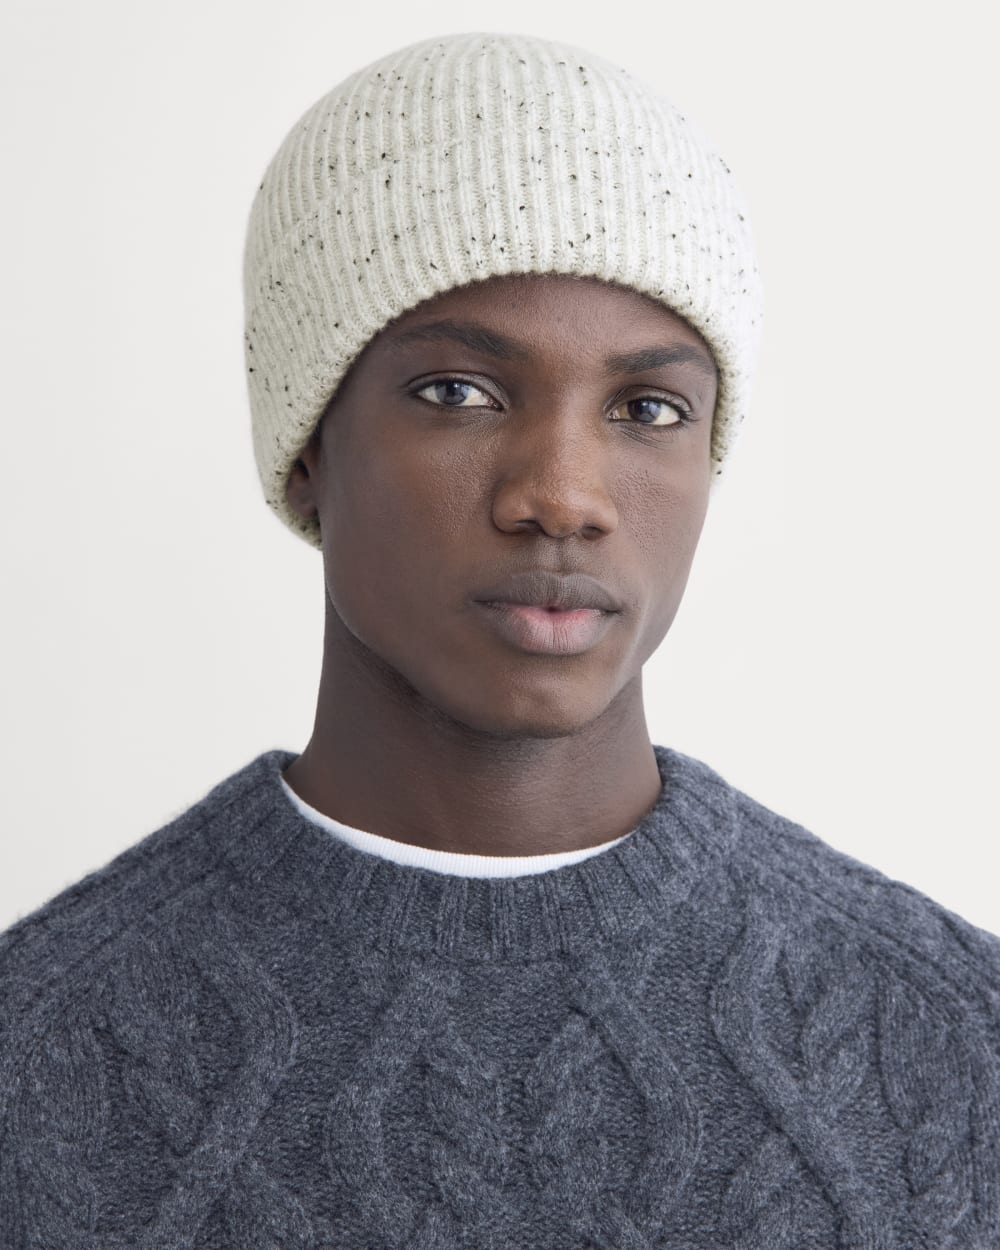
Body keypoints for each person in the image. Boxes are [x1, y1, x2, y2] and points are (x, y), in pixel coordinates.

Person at [1, 30, 997, 1250]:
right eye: (458, 392)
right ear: (307, 443)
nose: (562, 495)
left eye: (647, 408)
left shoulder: (957, 1043)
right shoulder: (39, 1048)